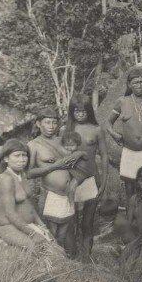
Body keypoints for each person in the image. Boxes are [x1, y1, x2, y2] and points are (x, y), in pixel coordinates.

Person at [28, 106, 83, 253]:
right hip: (50, 194)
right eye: (47, 122)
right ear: (38, 124)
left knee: (65, 233)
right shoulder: (33, 145)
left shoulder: (63, 140)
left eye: (54, 122)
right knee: (51, 233)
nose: (51, 126)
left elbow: (80, 159)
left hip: (69, 194)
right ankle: (54, 261)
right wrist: (53, 167)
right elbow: (29, 173)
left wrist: (77, 155)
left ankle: (68, 260)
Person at [106, 69, 142, 204]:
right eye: (136, 82)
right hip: (129, 151)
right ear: (129, 84)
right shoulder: (122, 101)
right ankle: (131, 216)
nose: (139, 85)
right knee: (129, 187)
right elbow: (108, 122)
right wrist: (114, 134)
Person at [63, 94, 109, 260]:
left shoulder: (96, 130)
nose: (80, 114)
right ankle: (72, 255)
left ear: (89, 111)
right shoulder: (65, 130)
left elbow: (104, 156)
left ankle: (86, 258)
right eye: (76, 111)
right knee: (71, 221)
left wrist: (103, 182)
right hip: (70, 181)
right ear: (72, 112)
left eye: (83, 111)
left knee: (87, 223)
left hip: (90, 180)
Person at [0, 139, 56, 248]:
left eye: (24, 155)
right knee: (43, 251)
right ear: (6, 158)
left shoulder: (21, 175)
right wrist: (33, 234)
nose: (22, 160)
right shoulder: (6, 179)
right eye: (17, 156)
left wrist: (43, 226)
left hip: (29, 225)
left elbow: (30, 207)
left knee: (58, 250)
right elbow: (10, 214)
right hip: (10, 227)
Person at [60, 131, 90, 205]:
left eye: (72, 145)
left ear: (78, 145)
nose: (69, 148)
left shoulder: (78, 152)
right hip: (73, 173)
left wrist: (80, 154)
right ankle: (70, 204)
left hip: (80, 174)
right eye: (66, 145)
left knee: (71, 188)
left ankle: (71, 205)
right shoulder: (65, 153)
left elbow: (86, 156)